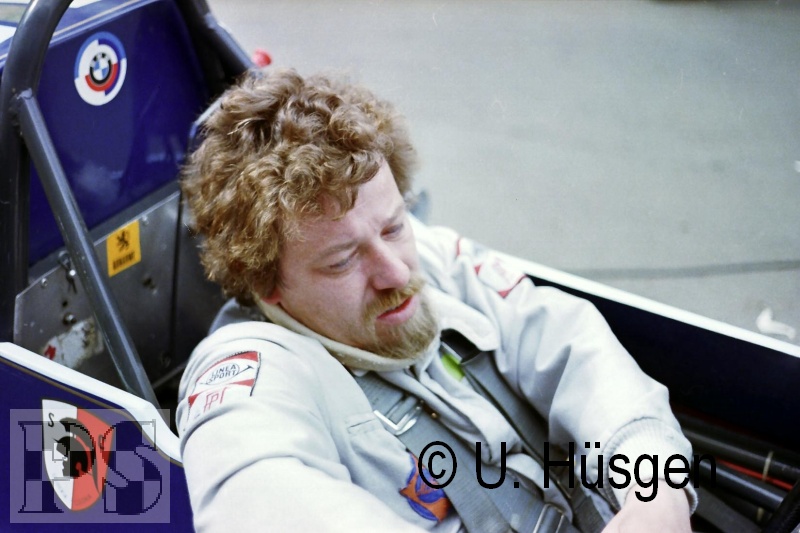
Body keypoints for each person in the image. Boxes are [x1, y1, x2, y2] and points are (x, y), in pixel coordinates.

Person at [176, 68, 696, 532]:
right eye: (342, 261)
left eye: (394, 226)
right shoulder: (248, 376)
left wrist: (655, 491)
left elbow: (572, 348)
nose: (396, 271)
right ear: (267, 284)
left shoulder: (428, 253)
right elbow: (256, 492)